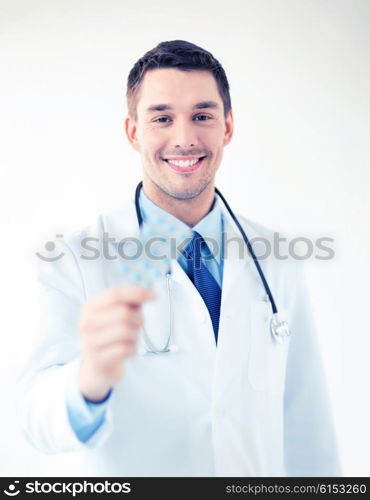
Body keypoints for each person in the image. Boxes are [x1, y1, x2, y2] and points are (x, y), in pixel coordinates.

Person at [17, 40, 341, 477]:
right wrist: (88, 379)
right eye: (162, 118)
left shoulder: (274, 258)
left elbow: (307, 423)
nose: (185, 138)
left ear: (227, 127)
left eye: (202, 116)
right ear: (134, 131)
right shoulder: (75, 259)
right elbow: (35, 418)